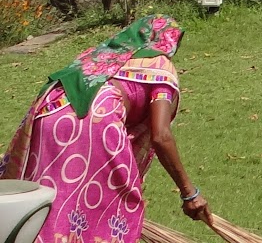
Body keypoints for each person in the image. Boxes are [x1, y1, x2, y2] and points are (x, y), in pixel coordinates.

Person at [0, 15, 213, 242]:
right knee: (116, 204)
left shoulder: (100, 55)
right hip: (98, 121)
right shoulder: (160, 65)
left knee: (48, 204)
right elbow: (161, 135)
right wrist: (189, 193)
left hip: (48, 115)